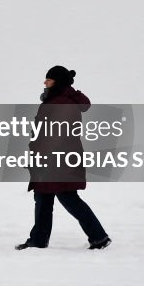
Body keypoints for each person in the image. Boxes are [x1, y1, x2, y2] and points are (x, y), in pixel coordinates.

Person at [15, 65, 112, 250]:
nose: (45, 82)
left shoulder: (60, 102)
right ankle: (38, 240)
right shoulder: (58, 100)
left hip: (58, 161)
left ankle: (99, 236)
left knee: (68, 198)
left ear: (57, 82)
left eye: (49, 79)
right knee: (43, 198)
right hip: (55, 159)